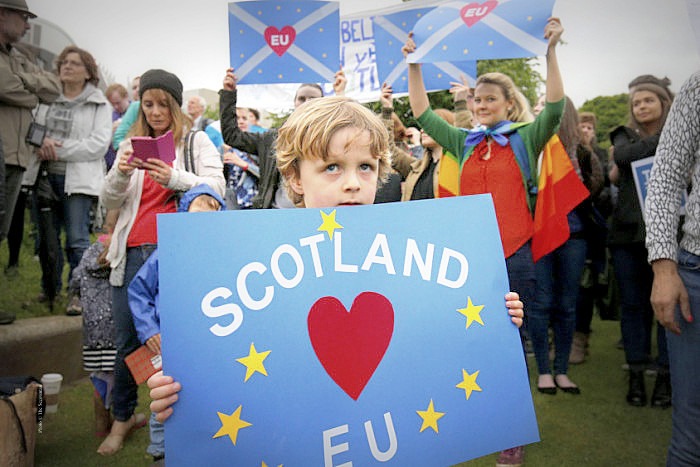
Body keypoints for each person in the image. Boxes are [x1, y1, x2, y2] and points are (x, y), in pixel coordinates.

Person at [147, 97, 526, 438]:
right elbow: (230, 357)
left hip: (390, 430)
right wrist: (185, 395)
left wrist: (496, 317)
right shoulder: (255, 258)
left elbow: (434, 329)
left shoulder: (407, 250)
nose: (353, 183)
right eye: (332, 167)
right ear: (295, 178)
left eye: (366, 167)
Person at [404, 17, 565, 467]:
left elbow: (555, 107)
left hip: (515, 256)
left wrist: (551, 51)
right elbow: (421, 112)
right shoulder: (463, 141)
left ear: (509, 103)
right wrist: (415, 63)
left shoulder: (526, 137)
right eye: (477, 99)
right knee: (464, 337)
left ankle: (511, 434)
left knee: (512, 342)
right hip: (469, 258)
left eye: (490, 98)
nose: (481, 104)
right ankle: (470, 419)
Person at [98, 68, 225, 456]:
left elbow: (217, 186)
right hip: (132, 251)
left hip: (178, 253)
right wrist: (121, 174)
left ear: (176, 105)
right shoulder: (129, 145)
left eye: (162, 104)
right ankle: (122, 419)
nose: (155, 112)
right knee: (128, 341)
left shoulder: (196, 140)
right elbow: (108, 200)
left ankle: (187, 423)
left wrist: (174, 177)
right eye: (148, 104)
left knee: (183, 340)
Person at [128, 184, 225, 463]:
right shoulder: (165, 255)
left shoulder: (223, 258)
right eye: (194, 221)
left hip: (209, 344)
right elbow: (138, 291)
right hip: (169, 343)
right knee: (166, 392)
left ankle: (208, 442)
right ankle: (160, 449)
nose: (201, 229)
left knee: (202, 394)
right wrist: (149, 329)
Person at [28, 45, 112, 314]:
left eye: (75, 63)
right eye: (64, 62)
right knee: (45, 240)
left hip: (78, 182)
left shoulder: (99, 103)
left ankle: (79, 292)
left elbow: (98, 144)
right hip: (43, 177)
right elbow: (31, 128)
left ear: (88, 72)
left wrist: (58, 148)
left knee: (76, 240)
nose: (67, 66)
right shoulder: (46, 98)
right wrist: (41, 141)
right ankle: (49, 288)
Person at [528, 97, 602, 395]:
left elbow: (594, 189)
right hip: (540, 235)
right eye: (538, 106)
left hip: (575, 237)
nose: (540, 109)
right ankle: (544, 371)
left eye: (546, 105)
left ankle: (562, 370)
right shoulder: (531, 147)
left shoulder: (583, 153)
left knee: (567, 305)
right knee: (541, 303)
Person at [608, 75, 674, 408]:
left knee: (667, 305)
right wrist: (667, 141)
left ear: (664, 102)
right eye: (636, 102)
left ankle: (665, 375)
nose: (642, 106)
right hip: (627, 235)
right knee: (633, 306)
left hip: (670, 235)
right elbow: (623, 156)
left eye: (648, 100)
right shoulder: (623, 134)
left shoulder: (681, 133)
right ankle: (635, 373)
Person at [645, 70, 700, 467]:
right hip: (695, 270)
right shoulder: (697, 87)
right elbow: (664, 178)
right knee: (691, 435)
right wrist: (664, 267)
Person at [0, 0, 61, 323]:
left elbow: (53, 88)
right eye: (23, 17)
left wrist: (24, 87)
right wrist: (30, 90)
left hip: (15, 157)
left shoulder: (18, 56)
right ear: (2, 13)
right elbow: (5, 85)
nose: (27, 25)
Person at [219, 67, 347, 209]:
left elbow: (349, 131)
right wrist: (228, 93)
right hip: (276, 215)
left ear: (322, 103)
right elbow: (232, 136)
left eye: (313, 99)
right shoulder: (272, 139)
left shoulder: (330, 138)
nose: (306, 102)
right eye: (301, 98)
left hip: (321, 215)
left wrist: (340, 95)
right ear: (294, 102)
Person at [69, 208, 125, 438]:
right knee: (117, 377)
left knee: (99, 376)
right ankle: (116, 422)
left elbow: (75, 281)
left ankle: (102, 424)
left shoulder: (88, 253)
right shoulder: (121, 251)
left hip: (92, 331)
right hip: (114, 328)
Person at [104, 83, 131, 171]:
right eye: (112, 104)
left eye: (118, 103)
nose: (116, 107)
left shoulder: (137, 112)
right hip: (111, 163)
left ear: (126, 96)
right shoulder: (109, 116)